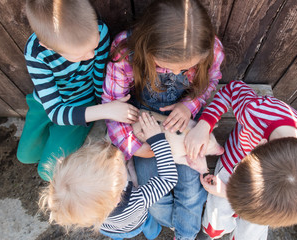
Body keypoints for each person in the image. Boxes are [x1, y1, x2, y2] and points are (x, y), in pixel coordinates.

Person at [101, 0, 225, 239]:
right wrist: (136, 148)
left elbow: (211, 81)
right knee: (154, 194)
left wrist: (190, 105)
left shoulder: (212, 48)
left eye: (186, 68)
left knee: (190, 188)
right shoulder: (126, 52)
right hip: (145, 124)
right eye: (166, 67)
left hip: (183, 121)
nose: (178, 74)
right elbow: (111, 103)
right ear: (149, 47)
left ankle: (185, 235)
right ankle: (173, 223)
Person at [185, 80, 297, 240]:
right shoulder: (256, 112)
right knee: (217, 210)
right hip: (233, 161)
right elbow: (232, 89)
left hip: (264, 195)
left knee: (251, 231)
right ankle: (211, 231)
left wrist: (230, 194)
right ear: (259, 143)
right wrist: (204, 125)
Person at [17, 0, 139, 181]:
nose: (91, 56)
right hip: (47, 105)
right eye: (81, 56)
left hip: (81, 103)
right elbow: (55, 112)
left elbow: (99, 75)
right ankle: (54, 136)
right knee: (25, 156)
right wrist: (106, 110)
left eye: (93, 47)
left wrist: (103, 105)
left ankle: (68, 133)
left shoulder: (100, 32)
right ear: (48, 46)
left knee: (47, 172)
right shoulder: (36, 53)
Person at [38, 112, 178, 240]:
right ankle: (154, 234)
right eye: (118, 165)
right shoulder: (137, 200)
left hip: (108, 229)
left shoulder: (88, 211)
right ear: (117, 197)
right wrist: (157, 139)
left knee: (117, 235)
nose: (117, 158)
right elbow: (169, 179)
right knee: (149, 223)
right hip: (137, 223)